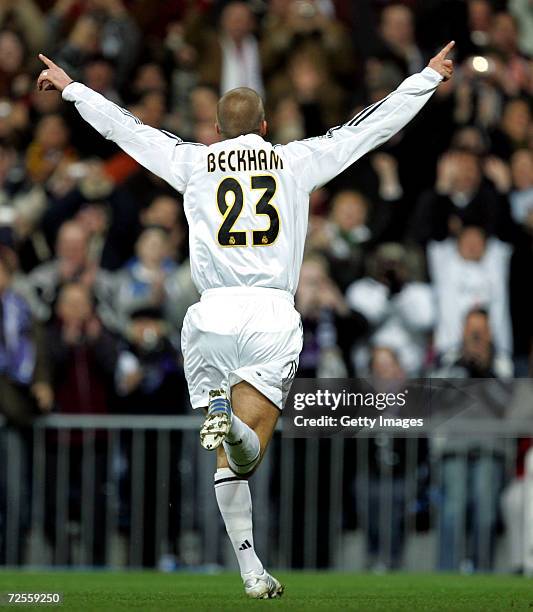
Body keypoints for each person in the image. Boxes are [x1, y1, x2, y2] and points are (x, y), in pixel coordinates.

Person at [36, 41, 454, 597]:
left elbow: (127, 129)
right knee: (245, 456)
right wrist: (425, 78)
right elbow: (367, 129)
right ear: (262, 125)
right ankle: (230, 426)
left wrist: (73, 89)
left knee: (227, 462)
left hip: (209, 316)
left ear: (216, 128)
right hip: (270, 313)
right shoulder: (296, 161)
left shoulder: (191, 161)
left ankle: (252, 572)